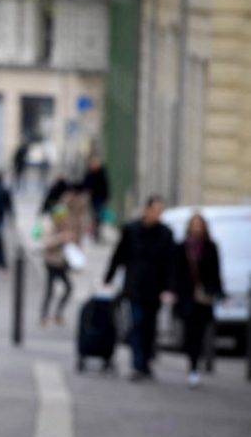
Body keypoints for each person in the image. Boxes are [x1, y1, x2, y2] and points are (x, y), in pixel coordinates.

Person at [104, 195, 175, 381]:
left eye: (161, 211)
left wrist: (169, 288)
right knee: (137, 324)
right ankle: (138, 364)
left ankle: (145, 364)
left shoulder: (166, 234)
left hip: (155, 289)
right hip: (134, 286)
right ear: (147, 209)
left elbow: (170, 264)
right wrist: (108, 277)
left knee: (150, 328)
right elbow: (119, 255)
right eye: (155, 210)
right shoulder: (132, 230)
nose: (157, 214)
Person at [171, 214, 224, 388]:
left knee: (201, 333)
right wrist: (173, 291)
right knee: (189, 333)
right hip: (187, 297)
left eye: (200, 225)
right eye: (194, 224)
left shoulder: (210, 247)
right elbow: (175, 272)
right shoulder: (182, 247)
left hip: (204, 297)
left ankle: (195, 366)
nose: (197, 228)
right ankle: (192, 365)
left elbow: (216, 272)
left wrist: (218, 293)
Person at [41, 204, 74, 327]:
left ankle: (58, 314)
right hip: (51, 262)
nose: (64, 219)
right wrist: (61, 238)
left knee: (69, 288)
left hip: (61, 263)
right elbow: (46, 243)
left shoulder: (64, 227)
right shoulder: (49, 225)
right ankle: (44, 316)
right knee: (49, 291)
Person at [82, 155, 110, 243]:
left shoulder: (102, 173)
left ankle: (97, 232)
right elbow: (85, 185)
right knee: (94, 216)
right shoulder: (89, 173)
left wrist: (106, 197)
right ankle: (95, 232)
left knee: (99, 216)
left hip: (100, 198)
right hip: (92, 199)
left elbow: (105, 186)